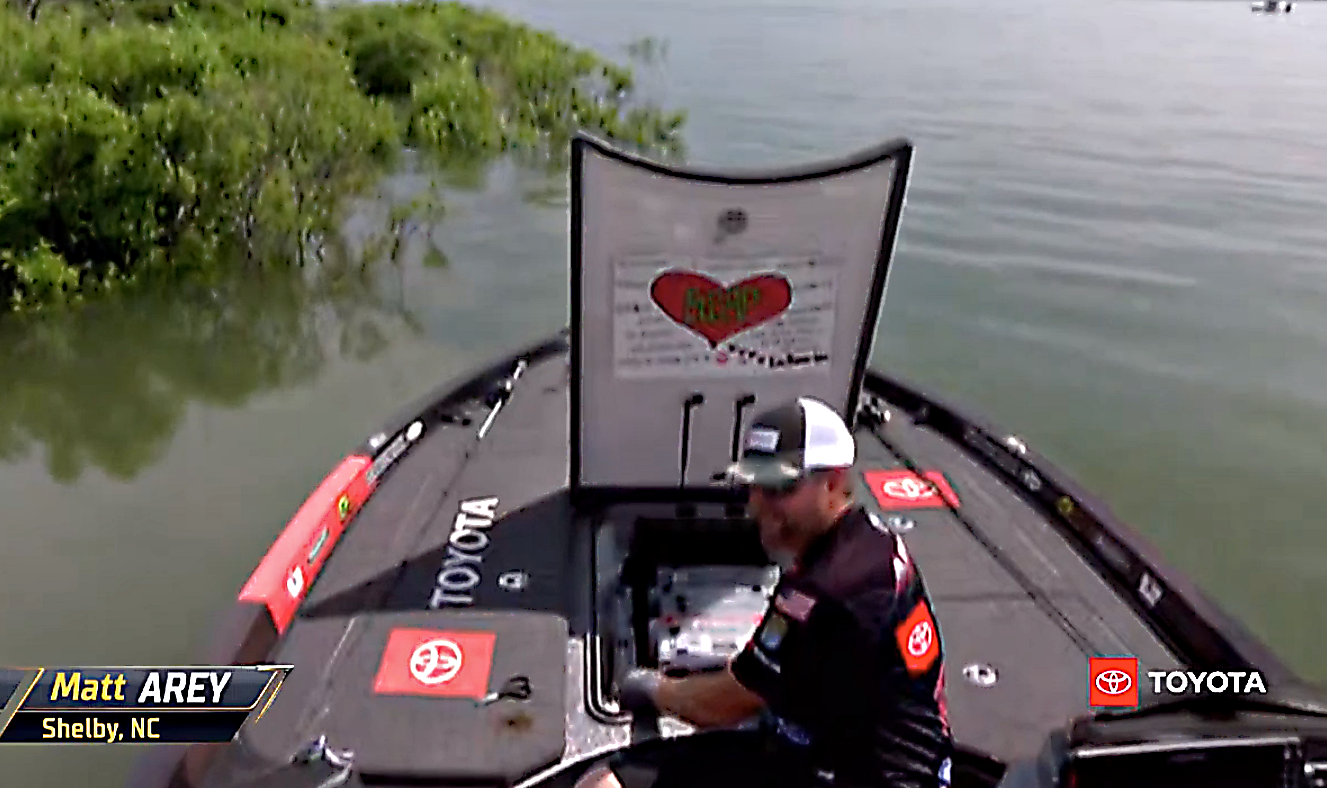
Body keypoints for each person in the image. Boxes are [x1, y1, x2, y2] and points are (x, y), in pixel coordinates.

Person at [575, 396, 954, 788]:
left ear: (834, 481)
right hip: (859, 753)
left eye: (778, 488)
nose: (756, 506)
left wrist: (653, 689)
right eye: (753, 485)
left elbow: (720, 705)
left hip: (849, 773)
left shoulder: (826, 590)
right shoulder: (872, 543)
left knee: (604, 782)